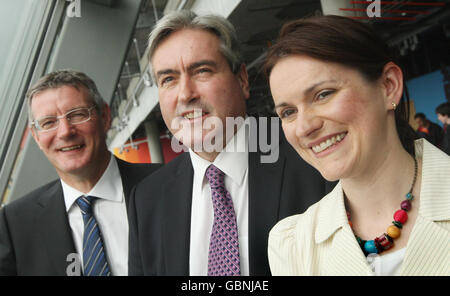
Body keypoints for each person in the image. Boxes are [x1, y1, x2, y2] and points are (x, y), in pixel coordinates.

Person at [127, 10, 334, 276]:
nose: (185, 94)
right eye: (168, 79)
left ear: (242, 79)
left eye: (201, 71)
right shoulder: (146, 199)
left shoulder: (313, 158)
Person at [265, 15, 449, 276]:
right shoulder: (292, 244)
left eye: (323, 94)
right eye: (288, 112)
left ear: (388, 86)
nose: (305, 127)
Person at [0, 70, 161, 276]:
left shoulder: (167, 186)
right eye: (49, 123)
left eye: (77, 114)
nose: (65, 131)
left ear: (104, 117)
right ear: (37, 136)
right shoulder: (15, 224)